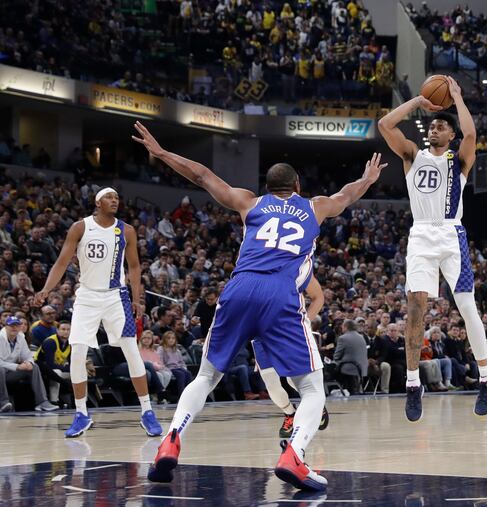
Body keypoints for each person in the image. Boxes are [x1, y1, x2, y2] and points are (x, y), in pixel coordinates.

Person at [132, 121, 386, 491]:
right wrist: (368, 178)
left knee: (205, 377)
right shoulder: (315, 207)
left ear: (267, 188)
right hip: (280, 293)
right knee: (313, 388)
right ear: (297, 186)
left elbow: (202, 175)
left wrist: (162, 153)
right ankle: (294, 455)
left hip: (239, 287)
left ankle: (171, 440)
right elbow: (347, 195)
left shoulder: (249, 203)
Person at [378, 76, 487, 422]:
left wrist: (457, 97)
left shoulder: (458, 160)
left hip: (450, 234)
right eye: (433, 126)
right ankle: (413, 385)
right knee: (416, 308)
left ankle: (486, 379)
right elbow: (385, 124)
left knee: (467, 306)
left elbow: (472, 135)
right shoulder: (412, 154)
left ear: (451, 136)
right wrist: (417, 101)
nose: (435, 128)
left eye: (442, 126)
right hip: (420, 235)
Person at [34, 188, 161, 438]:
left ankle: (147, 411)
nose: (115, 200)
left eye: (117, 197)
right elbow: (61, 262)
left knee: (131, 351)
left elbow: (134, 267)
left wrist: (137, 298)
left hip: (117, 296)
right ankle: (81, 413)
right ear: (97, 202)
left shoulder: (127, 230)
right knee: (78, 352)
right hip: (87, 296)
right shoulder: (80, 227)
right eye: (109, 197)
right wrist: (46, 290)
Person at [261, 277, 329, 439]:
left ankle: (315, 404)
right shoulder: (252, 268)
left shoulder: (296, 261)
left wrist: (304, 323)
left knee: (295, 377)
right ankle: (290, 414)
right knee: (270, 383)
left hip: (289, 330)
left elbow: (318, 297)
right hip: (261, 333)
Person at [0, 316, 59, 412]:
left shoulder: (20, 337)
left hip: (11, 373)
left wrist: (29, 363)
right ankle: (3, 403)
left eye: (16, 325)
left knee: (34, 367)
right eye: (11, 325)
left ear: (19, 327)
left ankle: (42, 402)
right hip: (3, 371)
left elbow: (27, 355)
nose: (14, 328)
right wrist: (17, 366)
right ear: (5, 327)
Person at [37, 320, 72, 406]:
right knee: (57, 372)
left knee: (80, 374)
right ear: (57, 330)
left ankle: (82, 401)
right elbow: (50, 365)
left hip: (58, 368)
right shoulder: (50, 342)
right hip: (41, 370)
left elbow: (72, 363)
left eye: (68, 329)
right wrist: (68, 368)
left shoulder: (71, 343)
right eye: (63, 329)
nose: (66, 331)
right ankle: (54, 400)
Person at [333, 319, 369, 392]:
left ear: (346, 327)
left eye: (342, 326)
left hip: (350, 368)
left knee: (331, 370)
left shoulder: (343, 338)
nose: (341, 328)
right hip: (363, 368)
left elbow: (336, 356)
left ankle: (335, 391)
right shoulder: (361, 337)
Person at [159, 331, 193, 397]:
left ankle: (190, 395)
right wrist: (166, 369)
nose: (171, 340)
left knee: (188, 373)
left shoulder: (176, 350)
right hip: (169, 368)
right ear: (164, 339)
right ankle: (181, 396)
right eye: (169, 338)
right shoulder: (161, 349)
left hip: (178, 367)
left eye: (173, 338)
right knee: (181, 374)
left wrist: (184, 368)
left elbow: (181, 362)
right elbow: (160, 362)